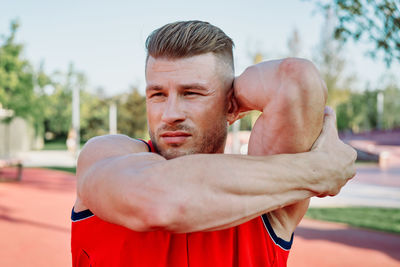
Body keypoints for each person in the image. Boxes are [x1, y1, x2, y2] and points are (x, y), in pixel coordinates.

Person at [71, 20, 356, 267]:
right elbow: (161, 202)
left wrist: (231, 97)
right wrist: (319, 171)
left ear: (231, 105)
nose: (170, 114)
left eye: (192, 93)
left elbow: (296, 79)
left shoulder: (269, 199)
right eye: (157, 94)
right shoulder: (104, 156)